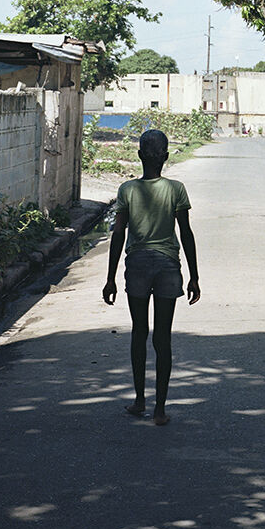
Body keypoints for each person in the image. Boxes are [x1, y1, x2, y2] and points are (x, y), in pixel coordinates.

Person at [103, 129, 199, 425]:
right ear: (166, 157)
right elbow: (185, 232)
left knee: (139, 332)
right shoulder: (176, 189)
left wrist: (110, 278)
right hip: (169, 266)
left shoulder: (127, 190)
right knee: (162, 338)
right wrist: (194, 275)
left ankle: (139, 401)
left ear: (140, 155)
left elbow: (118, 234)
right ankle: (159, 409)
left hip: (138, 266)